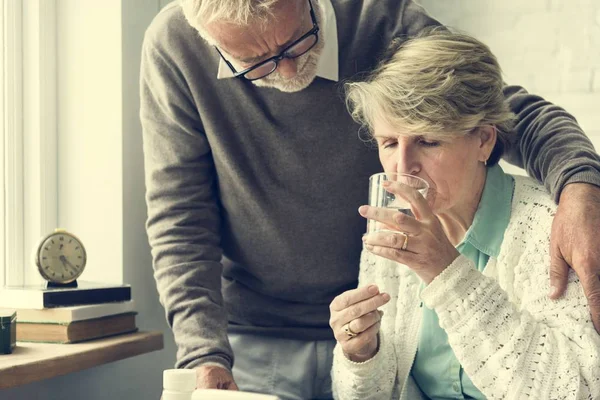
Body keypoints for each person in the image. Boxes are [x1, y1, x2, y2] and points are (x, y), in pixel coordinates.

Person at [139, 0, 600, 398]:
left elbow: (491, 108)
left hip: (376, 302)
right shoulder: (176, 47)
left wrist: (580, 188)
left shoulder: (380, 22)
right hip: (259, 333)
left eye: (295, 43)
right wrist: (203, 352)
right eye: (253, 64)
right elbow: (179, 216)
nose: (285, 71)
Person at [329, 28, 600, 399]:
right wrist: (360, 354)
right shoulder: (393, 223)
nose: (403, 167)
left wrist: (446, 272)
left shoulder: (548, 227)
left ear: (484, 140)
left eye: (428, 141)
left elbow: (576, 391)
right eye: (389, 143)